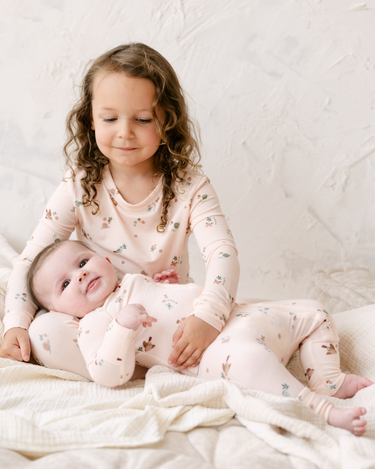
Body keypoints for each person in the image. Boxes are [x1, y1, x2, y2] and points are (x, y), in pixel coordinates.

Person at [0, 43, 240, 378]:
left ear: (167, 121)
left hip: (162, 317)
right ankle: (129, 370)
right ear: (91, 120)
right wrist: (15, 324)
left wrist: (208, 317)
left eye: (143, 119)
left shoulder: (190, 186)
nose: (125, 132)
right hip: (98, 324)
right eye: (110, 118)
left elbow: (222, 252)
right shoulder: (80, 184)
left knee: (227, 336)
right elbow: (32, 259)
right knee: (44, 333)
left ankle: (149, 366)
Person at [28, 240, 373, 437]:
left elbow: (173, 302)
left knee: (314, 311)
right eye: (64, 284)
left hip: (238, 316)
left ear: (104, 259)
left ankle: (327, 379)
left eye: (82, 261)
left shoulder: (132, 279)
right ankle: (323, 411)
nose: (81, 275)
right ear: (61, 312)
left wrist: (170, 283)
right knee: (250, 361)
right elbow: (106, 373)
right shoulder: (93, 324)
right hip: (213, 354)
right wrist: (123, 326)